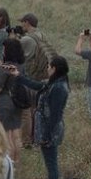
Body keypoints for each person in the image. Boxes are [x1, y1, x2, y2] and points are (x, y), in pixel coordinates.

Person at [12, 56, 69, 179]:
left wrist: (46, 135)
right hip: (47, 130)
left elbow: (55, 116)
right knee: (50, 161)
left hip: (50, 131)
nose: (47, 68)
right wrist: (18, 76)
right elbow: (36, 85)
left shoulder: (59, 88)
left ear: (54, 68)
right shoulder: (54, 83)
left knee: (51, 163)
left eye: (49, 66)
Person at [18, 13, 56, 148]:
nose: (21, 25)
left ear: (27, 23)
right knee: (40, 110)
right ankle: (41, 138)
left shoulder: (27, 39)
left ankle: (29, 140)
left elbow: (17, 55)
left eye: (22, 23)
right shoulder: (42, 35)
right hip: (45, 77)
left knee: (29, 111)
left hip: (32, 77)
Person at [0, 38, 26, 161]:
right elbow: (6, 70)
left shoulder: (6, 67)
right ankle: (16, 161)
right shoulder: (21, 66)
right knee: (16, 134)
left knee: (5, 135)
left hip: (4, 102)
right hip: (17, 101)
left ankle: (8, 163)